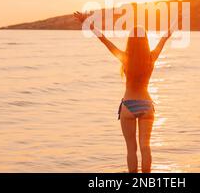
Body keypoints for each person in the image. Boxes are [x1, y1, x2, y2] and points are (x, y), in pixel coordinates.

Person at [73, 11, 176, 173]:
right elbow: (164, 38)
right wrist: (175, 25)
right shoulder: (151, 57)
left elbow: (104, 40)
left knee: (131, 149)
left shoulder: (125, 57)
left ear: (130, 41)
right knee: (145, 147)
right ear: (146, 41)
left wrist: (88, 23)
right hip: (147, 105)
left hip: (128, 105)